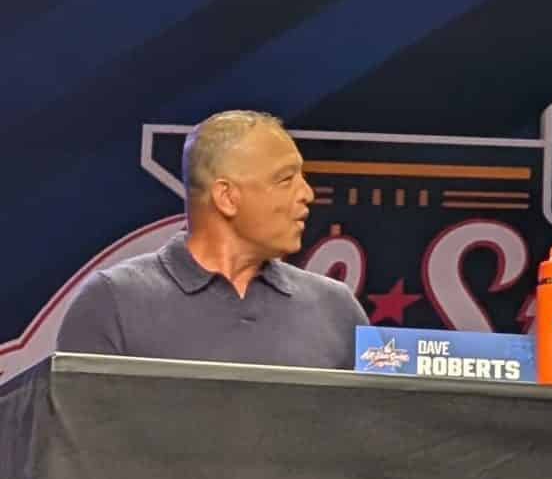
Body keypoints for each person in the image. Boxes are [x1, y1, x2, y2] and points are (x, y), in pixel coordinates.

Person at [58, 109, 363, 370]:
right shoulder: (113, 303)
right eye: (285, 179)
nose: (307, 194)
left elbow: (377, 429)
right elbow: (78, 434)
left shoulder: (336, 309)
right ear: (226, 197)